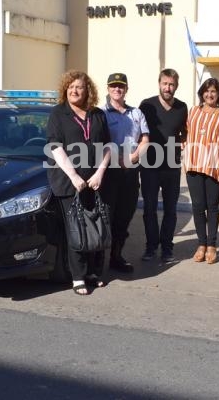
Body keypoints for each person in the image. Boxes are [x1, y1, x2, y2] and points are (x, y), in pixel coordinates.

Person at [46, 70, 111, 296]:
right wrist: (74, 176)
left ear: (88, 91)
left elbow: (107, 147)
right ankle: (77, 276)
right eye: (71, 87)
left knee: (96, 225)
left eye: (79, 87)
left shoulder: (97, 115)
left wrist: (100, 173)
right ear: (66, 89)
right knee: (75, 229)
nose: (74, 90)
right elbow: (55, 147)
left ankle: (93, 272)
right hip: (67, 183)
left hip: (95, 181)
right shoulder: (58, 114)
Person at [101, 72, 149, 273]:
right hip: (109, 172)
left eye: (121, 86)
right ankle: (98, 260)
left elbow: (145, 139)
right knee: (107, 216)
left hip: (130, 171)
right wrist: (116, 159)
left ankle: (116, 256)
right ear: (108, 89)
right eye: (113, 86)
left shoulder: (136, 113)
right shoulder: (101, 113)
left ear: (126, 89)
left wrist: (134, 157)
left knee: (125, 216)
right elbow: (99, 141)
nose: (117, 89)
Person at [139, 69, 188, 263]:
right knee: (149, 209)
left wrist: (181, 144)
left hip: (171, 167)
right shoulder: (146, 105)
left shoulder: (182, 108)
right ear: (159, 83)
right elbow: (138, 132)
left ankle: (167, 248)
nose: (168, 88)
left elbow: (185, 132)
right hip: (149, 166)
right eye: (165, 84)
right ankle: (151, 247)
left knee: (170, 209)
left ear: (176, 86)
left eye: (171, 85)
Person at [183, 78, 219, 264]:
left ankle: (212, 245)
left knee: (211, 207)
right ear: (201, 93)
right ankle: (201, 244)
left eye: (213, 91)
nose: (209, 94)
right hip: (194, 166)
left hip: (215, 167)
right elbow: (185, 134)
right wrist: (184, 154)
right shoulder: (193, 112)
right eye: (206, 91)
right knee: (197, 207)